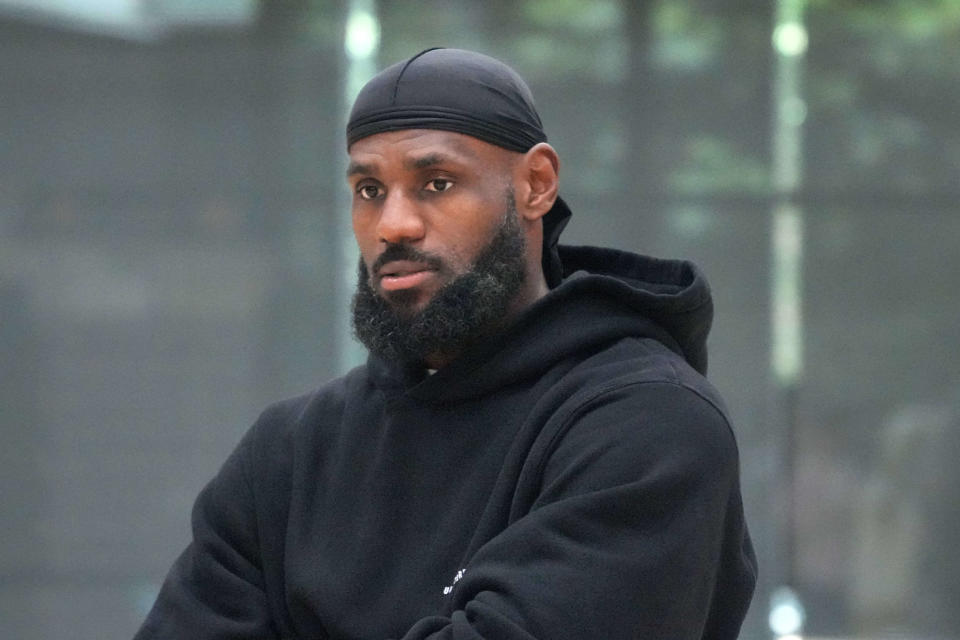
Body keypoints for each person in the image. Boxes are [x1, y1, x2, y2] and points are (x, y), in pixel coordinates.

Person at [134, 47, 756, 640]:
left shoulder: (647, 422)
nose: (393, 225)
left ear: (535, 184)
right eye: (369, 190)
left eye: (436, 182)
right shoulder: (291, 450)